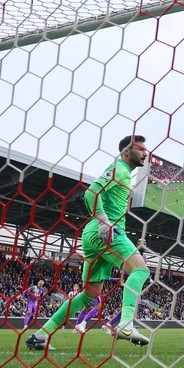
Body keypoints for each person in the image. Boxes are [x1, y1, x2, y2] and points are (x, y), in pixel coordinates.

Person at [26, 135, 151, 350]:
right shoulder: (119, 168)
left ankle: (40, 335)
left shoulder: (123, 173)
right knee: (141, 271)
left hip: (94, 236)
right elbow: (91, 193)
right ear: (127, 151)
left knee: (89, 295)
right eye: (141, 149)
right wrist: (104, 222)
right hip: (106, 231)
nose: (145, 153)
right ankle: (126, 324)